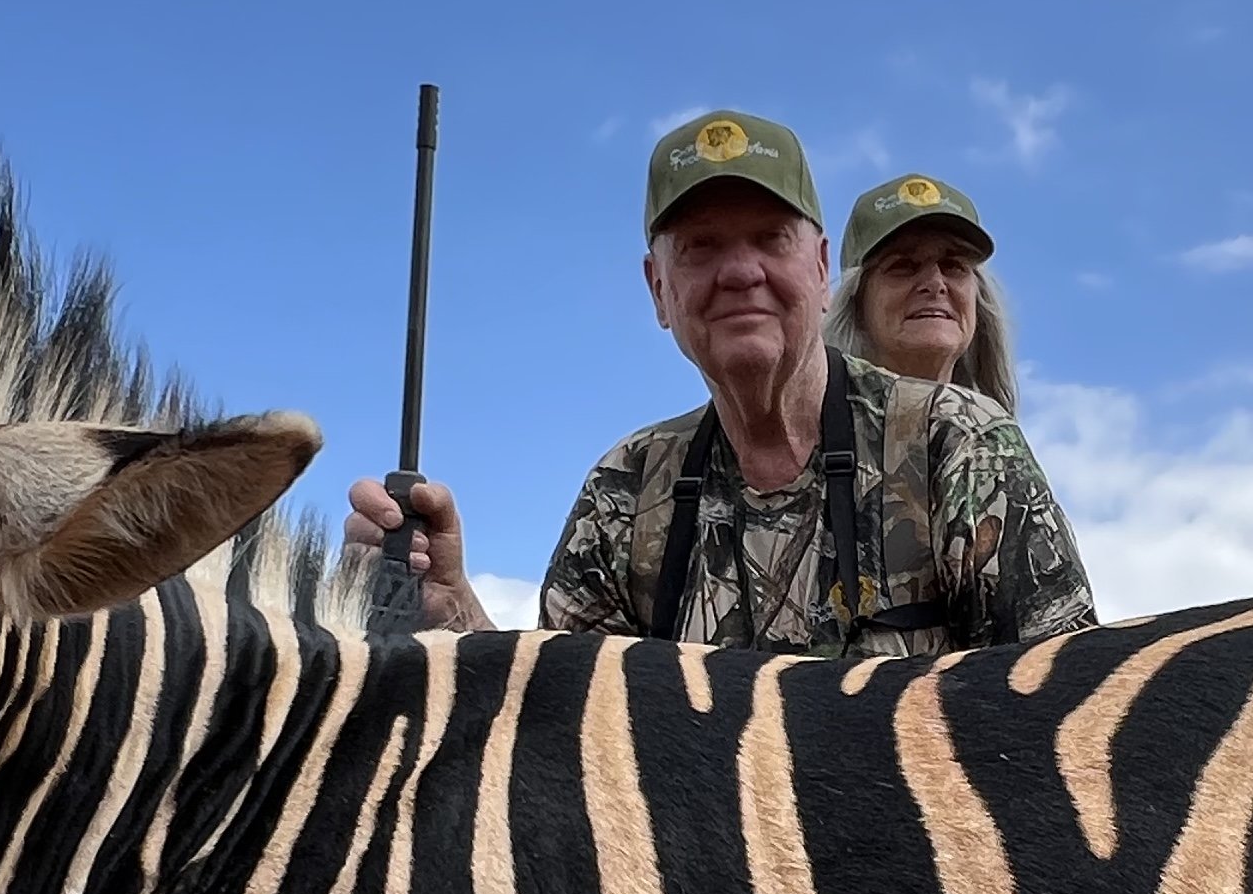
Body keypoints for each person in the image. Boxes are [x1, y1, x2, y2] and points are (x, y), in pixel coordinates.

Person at [348, 108, 1095, 655]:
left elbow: (1071, 707)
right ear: (658, 290)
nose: (740, 273)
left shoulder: (957, 446)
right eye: (701, 247)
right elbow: (557, 737)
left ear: (822, 268)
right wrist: (451, 610)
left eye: (771, 239)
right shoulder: (625, 487)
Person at [826, 172, 1017, 408]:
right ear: (856, 303)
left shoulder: (996, 437)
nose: (936, 284)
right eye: (903, 265)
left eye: (953, 266)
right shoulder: (805, 435)